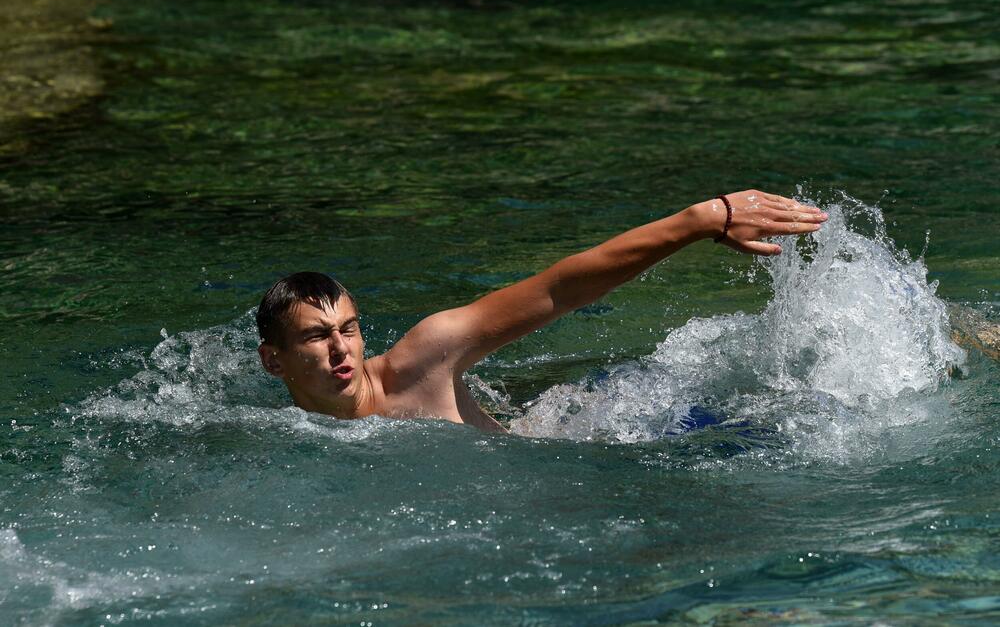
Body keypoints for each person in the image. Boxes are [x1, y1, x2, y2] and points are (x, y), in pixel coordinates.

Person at [256, 190, 828, 433]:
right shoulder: (274, 434)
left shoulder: (422, 360)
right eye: (316, 337)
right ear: (273, 360)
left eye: (349, 329)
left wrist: (700, 220)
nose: (341, 349)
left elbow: (562, 288)